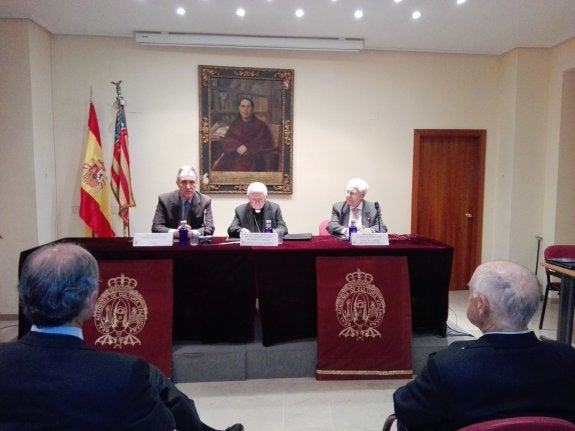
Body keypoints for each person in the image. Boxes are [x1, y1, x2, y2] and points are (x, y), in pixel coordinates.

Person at [0, 242, 243, 431]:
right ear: (91, 300)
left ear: (24, 296)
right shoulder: (124, 375)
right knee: (151, 376)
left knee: (152, 376)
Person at [392, 260, 575, 431]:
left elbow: (406, 410)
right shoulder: (567, 359)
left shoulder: (447, 367)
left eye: (470, 291)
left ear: (481, 305)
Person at [213, 97, 275, 172]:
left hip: (253, 157)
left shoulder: (260, 125)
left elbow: (263, 143)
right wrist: (237, 147)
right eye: (243, 106)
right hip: (235, 155)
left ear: (252, 109)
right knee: (218, 168)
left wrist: (247, 148)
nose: (245, 109)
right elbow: (228, 139)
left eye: (248, 107)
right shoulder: (235, 124)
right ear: (239, 108)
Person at [152, 165, 215, 237]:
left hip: (194, 242)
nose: (188, 187)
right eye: (184, 182)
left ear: (196, 183)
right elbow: (156, 227)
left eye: (192, 182)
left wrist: (192, 233)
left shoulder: (205, 201)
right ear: (177, 183)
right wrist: (175, 232)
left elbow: (210, 228)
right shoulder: (164, 200)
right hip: (172, 242)